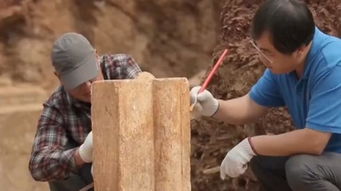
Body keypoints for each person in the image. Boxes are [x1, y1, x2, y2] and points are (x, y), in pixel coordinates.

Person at [190, 0, 341, 190]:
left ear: (300, 50)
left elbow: (314, 141)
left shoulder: (333, 65)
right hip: (328, 160)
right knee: (264, 160)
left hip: (332, 158)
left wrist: (251, 144)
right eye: (259, 48)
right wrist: (214, 107)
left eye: (268, 52)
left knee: (301, 169)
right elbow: (251, 106)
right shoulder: (285, 65)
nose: (262, 58)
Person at [29, 32, 142, 191]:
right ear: (59, 77)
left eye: (90, 76)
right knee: (57, 162)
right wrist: (81, 154)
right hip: (89, 178)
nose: (88, 87)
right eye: (78, 81)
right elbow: (38, 165)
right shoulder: (57, 105)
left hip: (135, 162)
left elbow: (148, 102)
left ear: (96, 56)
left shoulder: (121, 68)